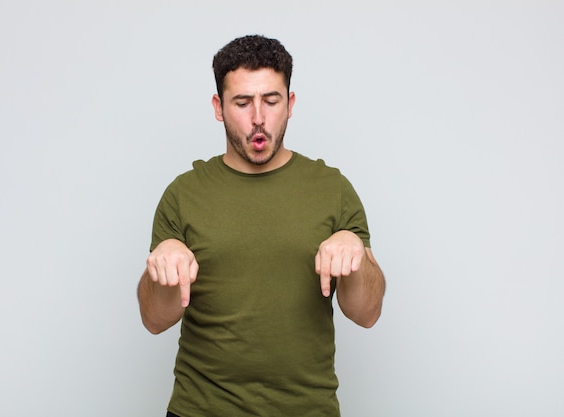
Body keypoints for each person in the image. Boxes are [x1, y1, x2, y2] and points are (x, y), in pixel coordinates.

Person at [137, 34, 386, 417]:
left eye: (271, 101)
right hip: (201, 409)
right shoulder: (183, 195)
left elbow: (367, 313)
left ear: (290, 104)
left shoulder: (332, 189)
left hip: (307, 409)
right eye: (242, 102)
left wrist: (354, 253)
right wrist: (161, 267)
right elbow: (154, 321)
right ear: (219, 107)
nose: (258, 117)